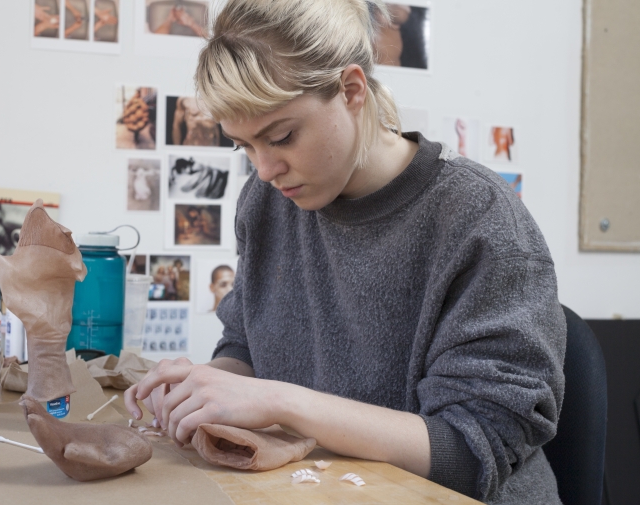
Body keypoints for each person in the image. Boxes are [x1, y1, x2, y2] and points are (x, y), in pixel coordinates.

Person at [125, 1, 565, 503]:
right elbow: (247, 346)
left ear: (352, 90)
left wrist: (278, 401)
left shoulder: (481, 219)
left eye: (282, 136)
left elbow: (470, 451)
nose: (265, 169)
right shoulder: (267, 202)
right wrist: (205, 389)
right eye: (243, 146)